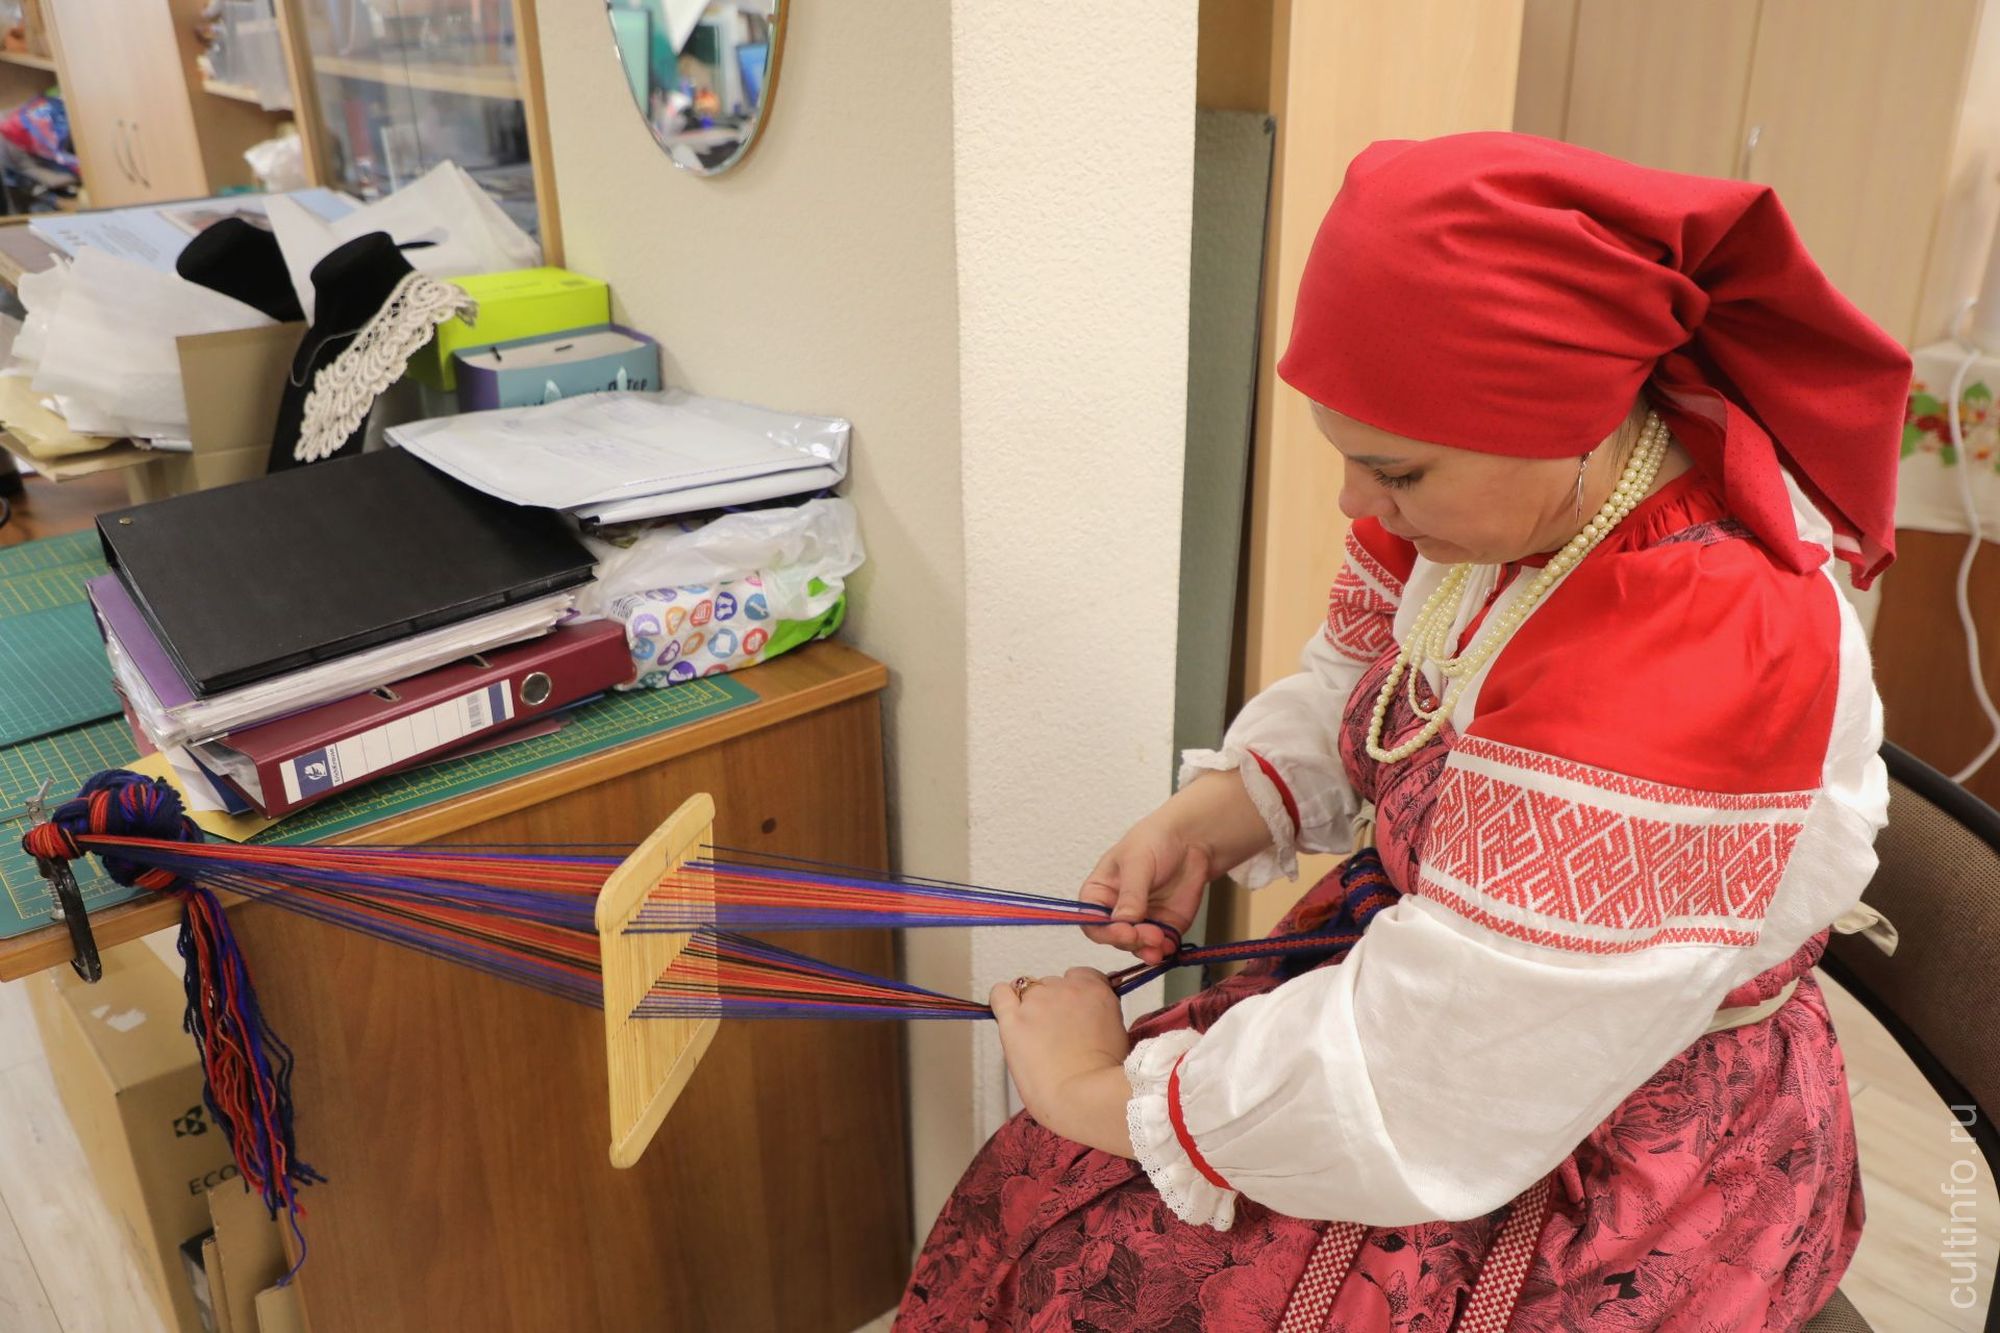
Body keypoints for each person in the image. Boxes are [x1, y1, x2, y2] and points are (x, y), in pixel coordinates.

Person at [897, 132, 1910, 1331]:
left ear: (1569, 421)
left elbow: (1442, 1080)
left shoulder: (1692, 642)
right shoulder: (1505, 510)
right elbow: (1380, 680)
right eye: (1346, 456)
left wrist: (1087, 1088)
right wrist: (1222, 812)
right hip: (1445, 1005)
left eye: (1395, 471)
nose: (1354, 502)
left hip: (1581, 1106)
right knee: (1065, 1204)